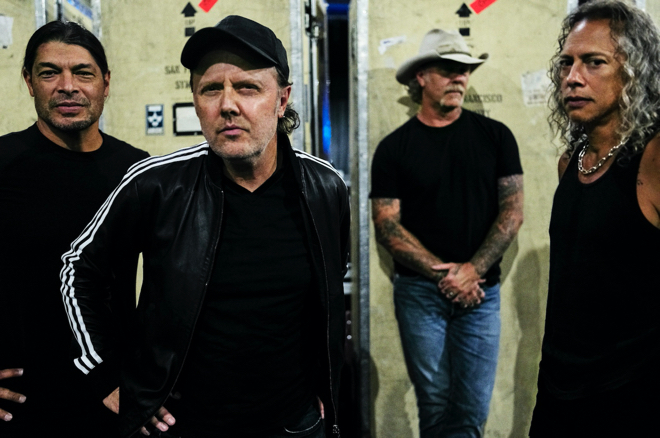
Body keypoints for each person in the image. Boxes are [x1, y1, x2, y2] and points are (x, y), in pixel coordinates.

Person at [59, 15, 349, 438]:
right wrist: (105, 377)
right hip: (185, 424)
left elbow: (330, 285)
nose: (227, 105)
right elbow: (78, 269)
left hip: (294, 424)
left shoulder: (325, 187)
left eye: (247, 88)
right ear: (196, 101)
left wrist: (322, 384)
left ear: (282, 99)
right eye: (211, 89)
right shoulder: (156, 184)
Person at [370, 29, 524, 438]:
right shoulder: (393, 149)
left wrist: (472, 271)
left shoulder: (496, 137)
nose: (459, 77)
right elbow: (386, 226)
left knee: (472, 410)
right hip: (419, 295)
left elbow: (513, 213)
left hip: (481, 293)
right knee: (434, 406)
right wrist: (447, 276)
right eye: (448, 69)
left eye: (465, 70)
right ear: (421, 76)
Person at [0, 20, 148, 437]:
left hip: (114, 400)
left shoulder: (136, 171)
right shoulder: (4, 163)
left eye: (83, 72)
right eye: (50, 73)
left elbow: (175, 281)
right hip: (21, 408)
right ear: (29, 82)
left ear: (105, 83)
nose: (68, 86)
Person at [530, 1, 660, 436]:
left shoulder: (653, 158)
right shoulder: (572, 161)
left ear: (635, 73)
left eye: (594, 62)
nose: (572, 77)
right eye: (566, 63)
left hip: (633, 395)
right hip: (559, 388)